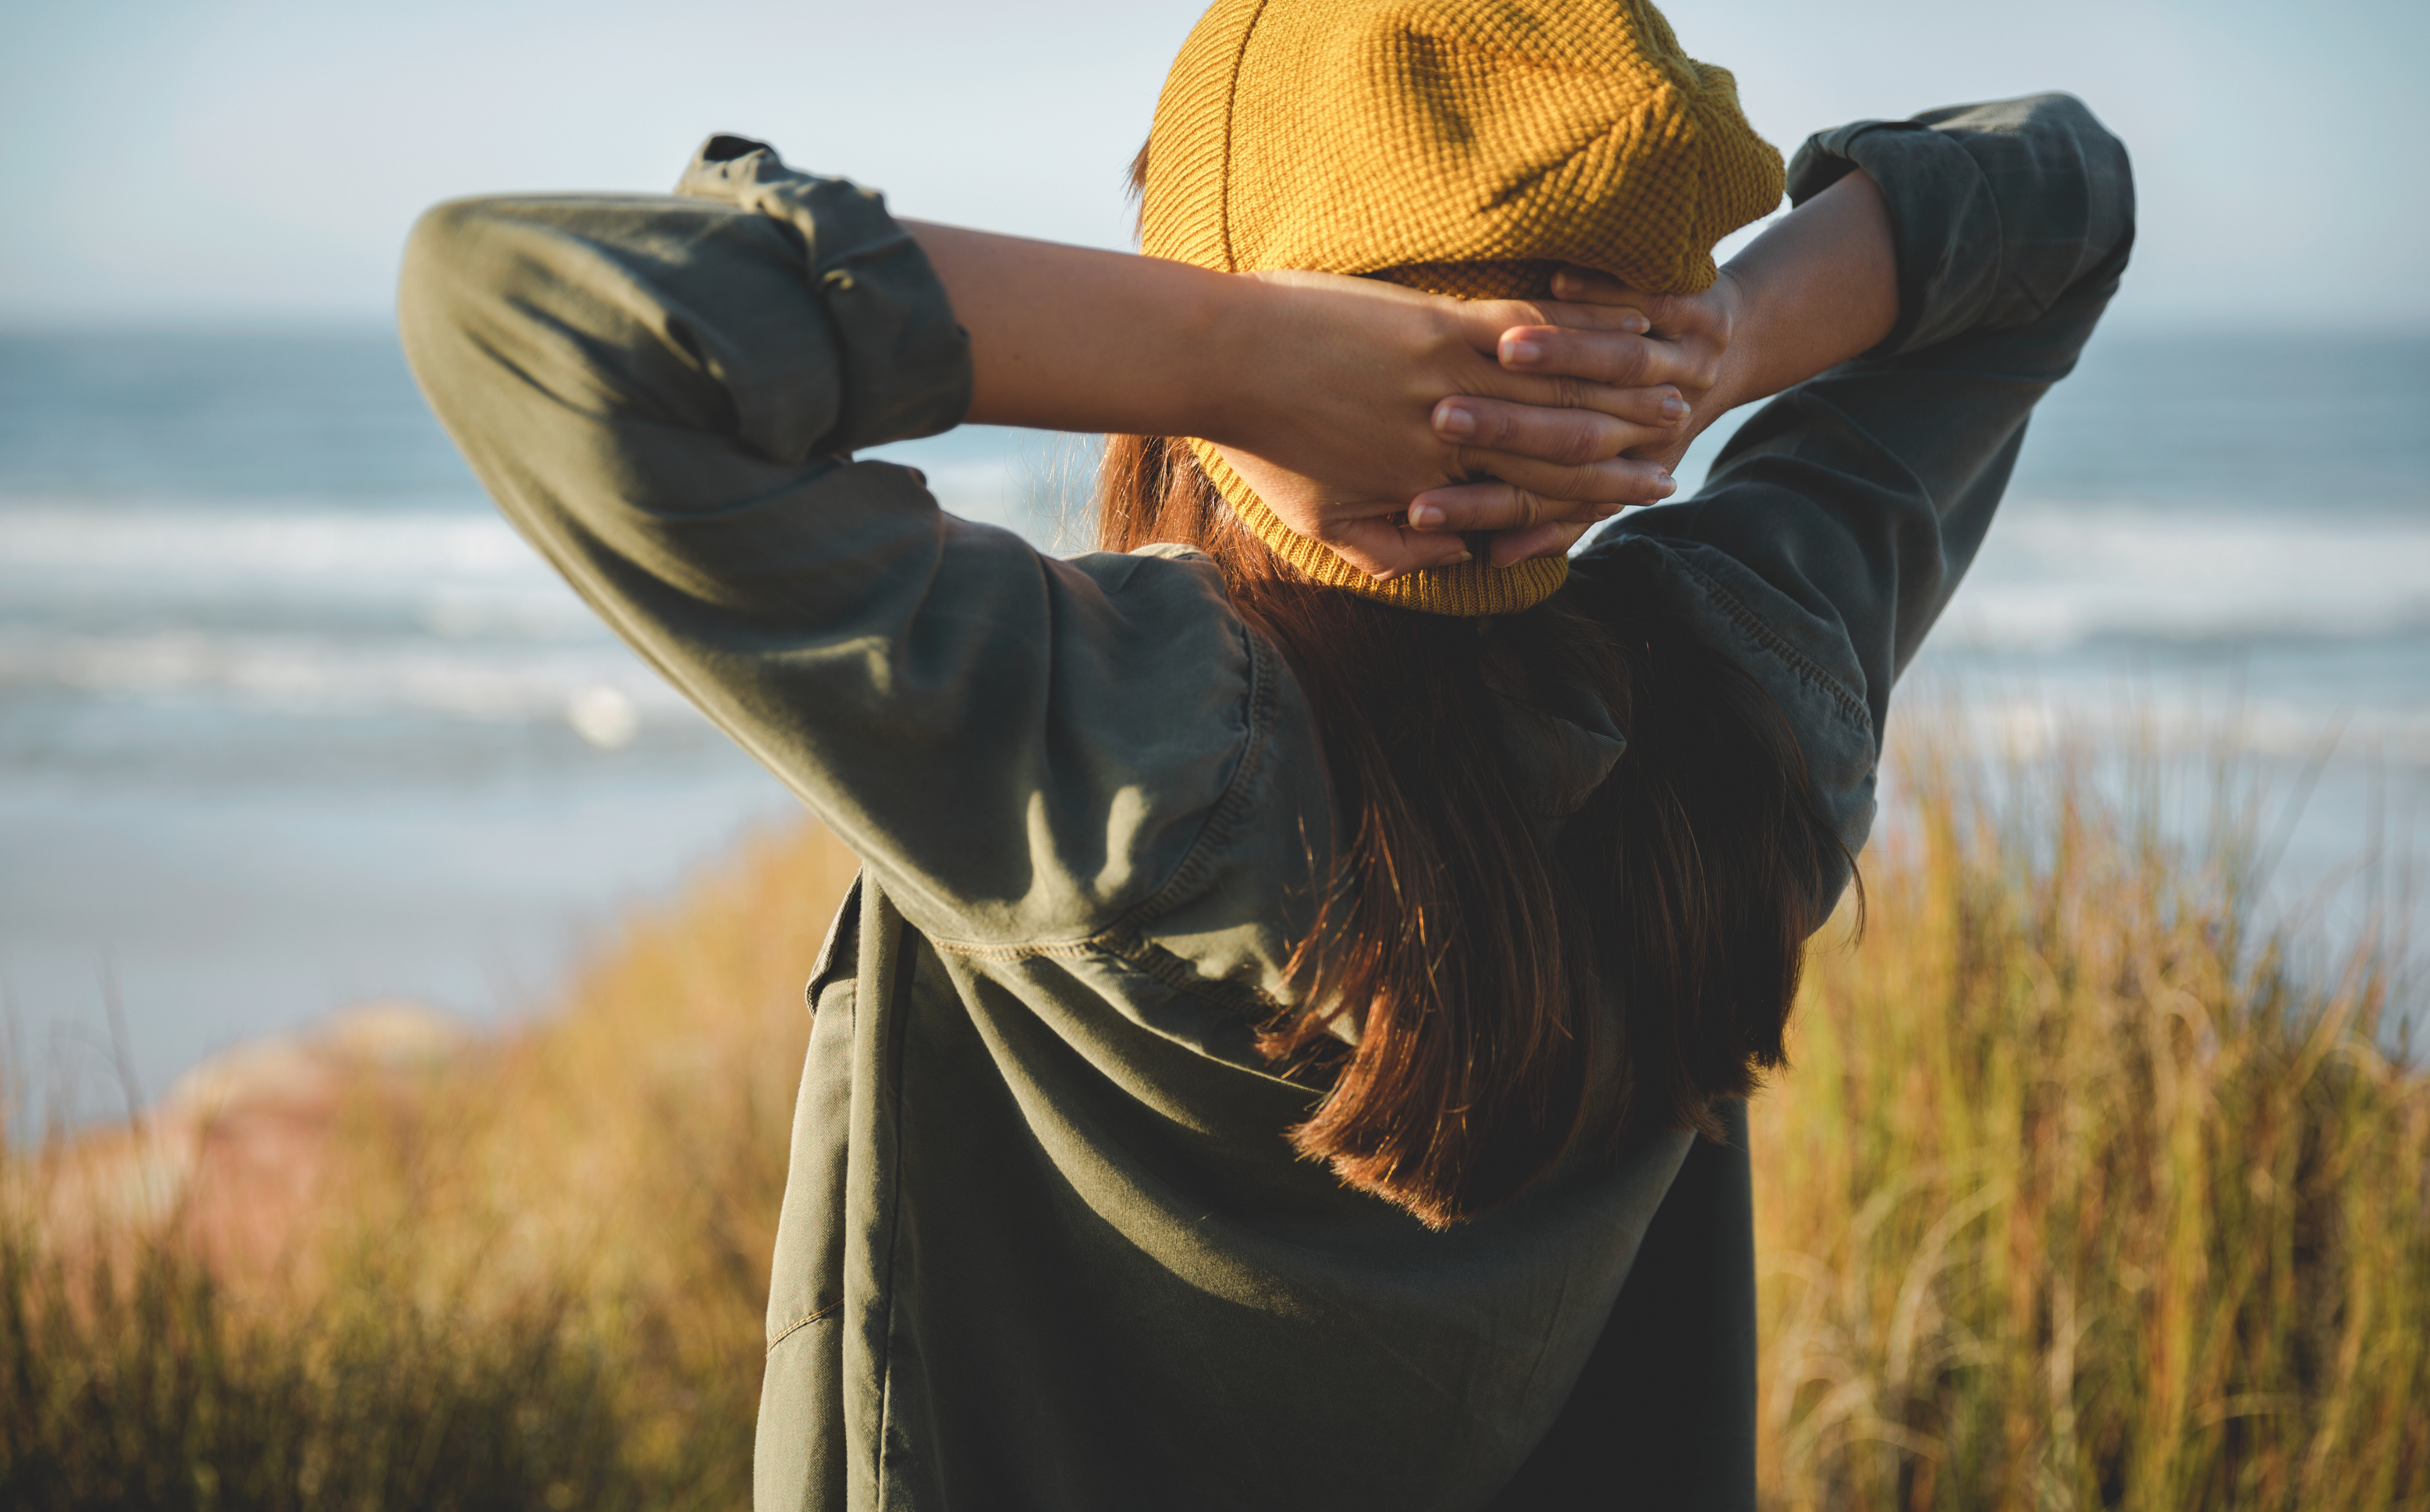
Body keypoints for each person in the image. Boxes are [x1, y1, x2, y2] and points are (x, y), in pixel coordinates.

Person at [398, 0, 2132, 1503]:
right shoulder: (1744, 688)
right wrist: (1714, 346)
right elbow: (2059, 197)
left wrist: (1224, 352)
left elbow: (519, 305)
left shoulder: (1108, 736)